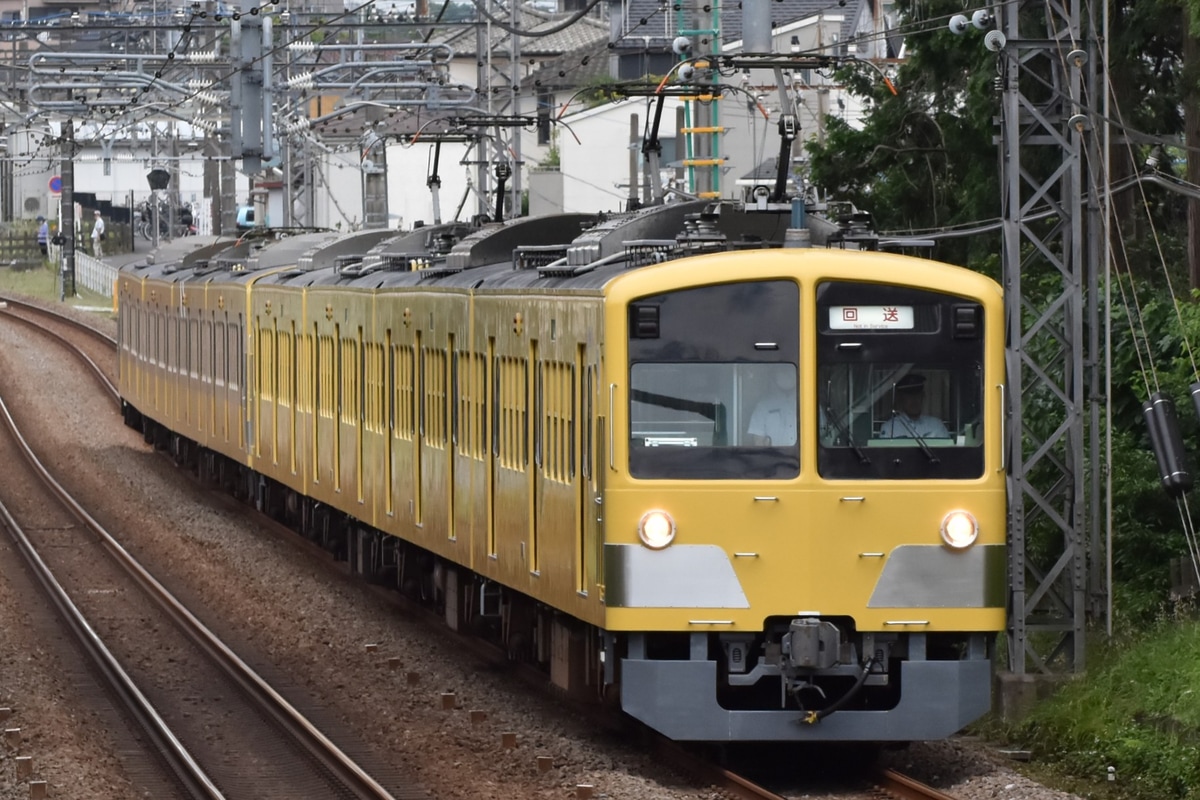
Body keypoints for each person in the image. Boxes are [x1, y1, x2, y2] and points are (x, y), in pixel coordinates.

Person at [878, 373, 950, 438]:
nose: (914, 400)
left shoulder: (936, 426)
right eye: (909, 396)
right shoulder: (890, 428)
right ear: (901, 399)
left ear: (923, 397)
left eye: (917, 395)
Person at [747, 369, 797, 446]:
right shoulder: (762, 406)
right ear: (774, 377)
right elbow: (758, 442)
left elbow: (821, 433)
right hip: (774, 457)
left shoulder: (809, 403)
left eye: (790, 372)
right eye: (783, 371)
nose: (787, 376)